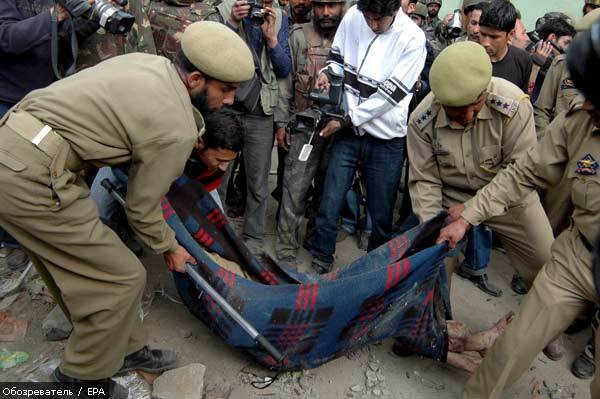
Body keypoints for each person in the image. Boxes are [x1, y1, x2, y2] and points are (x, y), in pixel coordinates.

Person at [0, 21, 253, 399]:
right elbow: (142, 208)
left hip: (16, 148)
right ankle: (79, 381)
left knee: (77, 267)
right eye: (226, 90)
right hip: (33, 174)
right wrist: (170, 247)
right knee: (123, 277)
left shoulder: (147, 63)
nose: (230, 100)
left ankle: (124, 350)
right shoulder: (176, 125)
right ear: (196, 79)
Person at [439, 22, 600, 399]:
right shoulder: (580, 116)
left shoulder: (511, 104)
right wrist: (468, 215)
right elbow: (525, 172)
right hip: (579, 256)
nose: (588, 103)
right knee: (512, 348)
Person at [408, 40, 553, 306]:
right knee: (431, 267)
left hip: (509, 198)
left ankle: (547, 328)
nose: (455, 120)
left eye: (466, 111)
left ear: (483, 95)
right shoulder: (421, 120)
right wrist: (432, 227)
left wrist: (469, 215)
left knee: (548, 267)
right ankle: (433, 326)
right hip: (449, 199)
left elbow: (518, 175)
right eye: (450, 112)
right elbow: (424, 180)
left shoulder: (514, 107)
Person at [308, 0, 426, 273]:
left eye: (379, 20)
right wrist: (327, 74)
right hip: (349, 133)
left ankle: (376, 268)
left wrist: (347, 119)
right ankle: (321, 257)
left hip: (386, 140)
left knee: (381, 213)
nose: (372, 25)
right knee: (330, 199)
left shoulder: (413, 38)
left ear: (395, 10)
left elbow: (389, 97)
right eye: (368, 18)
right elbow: (337, 59)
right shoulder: (353, 16)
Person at [207, 0, 291, 255]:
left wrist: (272, 39)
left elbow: (284, 68)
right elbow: (210, 54)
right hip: (226, 105)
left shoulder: (278, 16)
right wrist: (232, 23)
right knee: (218, 175)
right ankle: (216, 230)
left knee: (258, 180)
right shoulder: (221, 11)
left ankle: (254, 237)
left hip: (260, 109)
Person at [91, 109, 243, 235]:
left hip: (173, 175)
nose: (224, 168)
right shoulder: (167, 139)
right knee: (97, 215)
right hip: (127, 161)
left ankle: (127, 231)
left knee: (220, 230)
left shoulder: (218, 160)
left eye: (228, 162)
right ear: (200, 143)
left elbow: (194, 197)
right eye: (220, 160)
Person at [274, 0, 345, 266]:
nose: (326, 12)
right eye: (321, 6)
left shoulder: (350, 38)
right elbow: (286, 82)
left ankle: (314, 239)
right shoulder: (299, 35)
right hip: (304, 126)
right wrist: (281, 123)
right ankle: (285, 247)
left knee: (328, 191)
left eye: (333, 6)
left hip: (338, 129)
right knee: (294, 189)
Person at [478, 0, 532, 94]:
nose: (486, 43)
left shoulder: (523, 60)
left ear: (510, 34)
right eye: (483, 34)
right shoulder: (468, 57)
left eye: (494, 37)